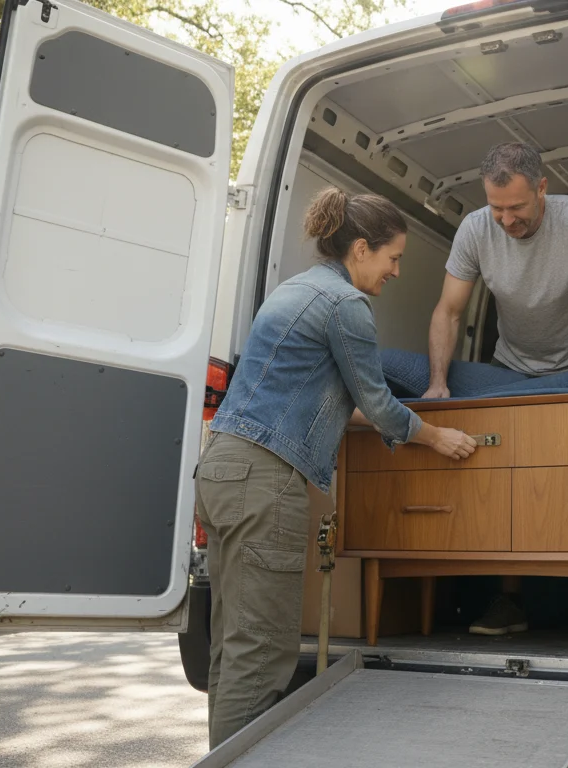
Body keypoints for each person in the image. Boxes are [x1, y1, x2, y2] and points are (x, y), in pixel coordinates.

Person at [197, 188, 477, 747]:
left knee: (232, 644)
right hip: (264, 482)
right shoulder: (345, 304)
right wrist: (434, 435)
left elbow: (325, 395)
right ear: (361, 249)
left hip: (222, 468)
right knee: (263, 651)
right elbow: (374, 400)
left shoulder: (297, 289)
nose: (396, 271)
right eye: (393, 258)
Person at [423, 142, 568, 640]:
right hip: (511, 368)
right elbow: (449, 311)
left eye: (516, 208)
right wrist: (438, 385)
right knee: (507, 477)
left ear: (542, 188)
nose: (505, 219)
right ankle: (510, 600)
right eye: (496, 207)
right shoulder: (477, 229)